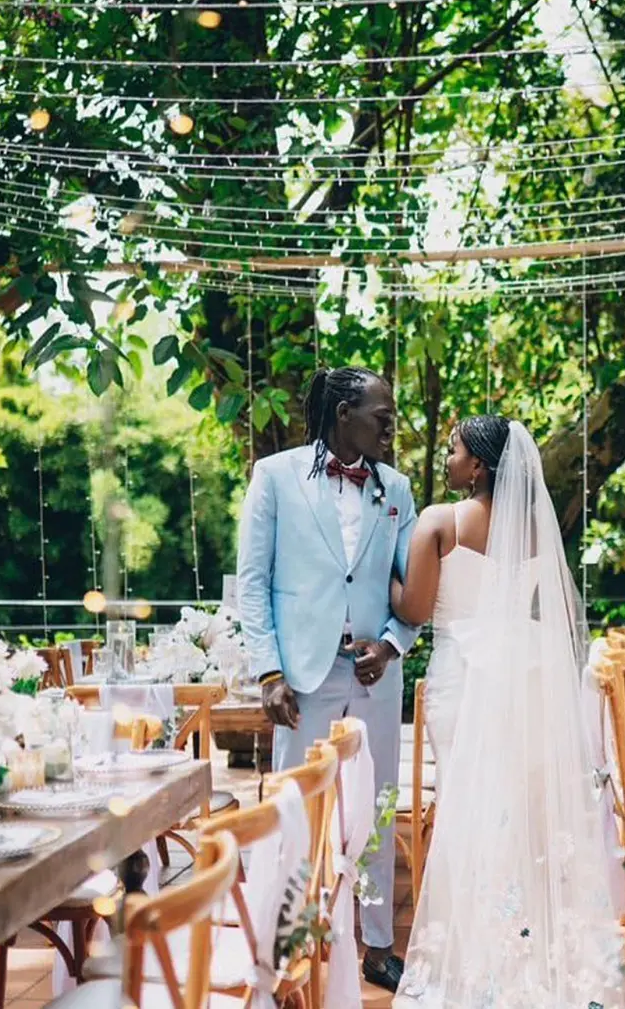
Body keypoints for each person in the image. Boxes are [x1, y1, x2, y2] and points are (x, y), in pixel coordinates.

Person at [391, 416, 620, 1008]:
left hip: (462, 679)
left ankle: (478, 960)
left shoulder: (439, 522)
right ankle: (531, 947)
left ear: (478, 466)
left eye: (453, 449)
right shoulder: (537, 531)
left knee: (467, 809)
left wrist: (381, 580)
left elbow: (413, 609)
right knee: (519, 812)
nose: (446, 459)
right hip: (524, 678)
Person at [237, 366, 420, 994]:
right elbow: (253, 584)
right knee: (294, 806)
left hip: (374, 675)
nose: (391, 428)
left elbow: (416, 588)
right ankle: (281, 943)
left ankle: (378, 945)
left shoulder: (396, 489)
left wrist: (392, 646)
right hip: (300, 677)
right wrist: (268, 671)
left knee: (378, 805)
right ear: (345, 415)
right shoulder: (274, 476)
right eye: (382, 417)